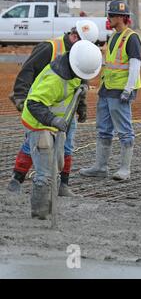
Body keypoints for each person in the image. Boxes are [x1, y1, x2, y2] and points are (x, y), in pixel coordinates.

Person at [7, 20, 99, 197]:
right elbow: (27, 70)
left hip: (65, 111)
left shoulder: (80, 55)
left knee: (67, 146)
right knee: (33, 144)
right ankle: (17, 179)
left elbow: (79, 83)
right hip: (42, 109)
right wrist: (20, 96)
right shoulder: (49, 48)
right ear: (74, 36)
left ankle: (63, 185)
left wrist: (82, 106)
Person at [21, 40, 102, 219]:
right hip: (39, 124)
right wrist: (53, 119)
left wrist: (81, 107)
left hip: (55, 125)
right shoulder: (55, 79)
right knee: (44, 172)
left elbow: (78, 88)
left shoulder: (75, 68)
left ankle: (49, 208)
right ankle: (40, 215)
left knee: (56, 165)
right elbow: (34, 103)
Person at [80, 0, 141, 181]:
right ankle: (100, 167)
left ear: (123, 18)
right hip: (107, 89)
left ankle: (125, 169)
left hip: (120, 91)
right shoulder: (114, 36)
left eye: (112, 15)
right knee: (103, 129)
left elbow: (135, 65)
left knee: (124, 130)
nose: (109, 18)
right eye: (109, 15)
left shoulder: (132, 38)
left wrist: (128, 89)